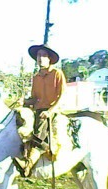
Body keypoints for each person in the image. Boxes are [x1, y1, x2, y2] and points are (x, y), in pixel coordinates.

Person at [14, 44, 67, 177]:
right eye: (38, 55)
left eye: (43, 55)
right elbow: (34, 99)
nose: (40, 58)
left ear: (49, 59)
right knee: (20, 124)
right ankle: (23, 152)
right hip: (38, 110)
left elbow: (62, 95)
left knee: (39, 129)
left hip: (52, 110)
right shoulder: (36, 77)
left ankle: (28, 165)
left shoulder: (57, 74)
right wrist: (24, 101)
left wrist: (50, 111)